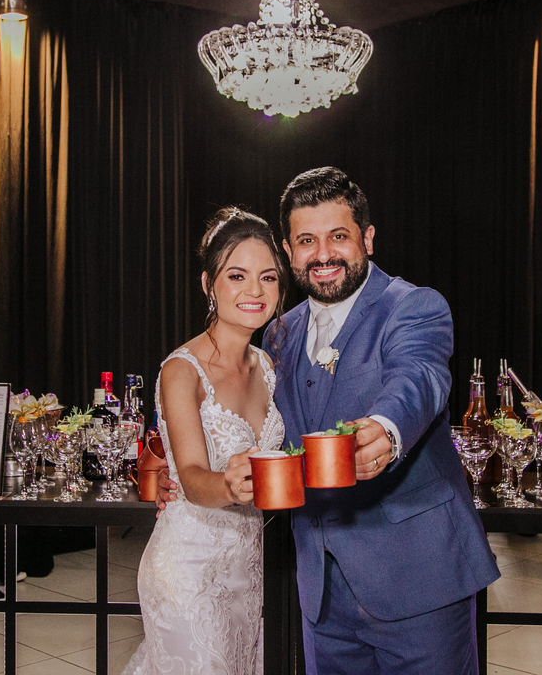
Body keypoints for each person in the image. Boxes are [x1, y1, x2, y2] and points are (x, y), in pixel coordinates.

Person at [160, 167, 500, 673]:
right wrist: (183, 478)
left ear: (367, 238)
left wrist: (386, 429)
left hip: (418, 582)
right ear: (289, 250)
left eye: (338, 236)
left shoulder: (412, 307)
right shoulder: (278, 336)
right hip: (322, 593)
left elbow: (419, 378)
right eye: (306, 241)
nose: (323, 255)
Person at [122, 207, 288, 675]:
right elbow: (192, 478)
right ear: (207, 285)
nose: (255, 291)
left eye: (268, 277)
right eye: (237, 276)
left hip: (247, 570)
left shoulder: (267, 367)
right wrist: (229, 485)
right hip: (188, 571)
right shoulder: (182, 370)